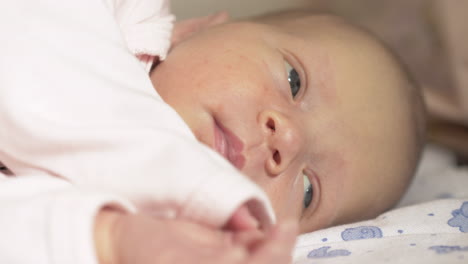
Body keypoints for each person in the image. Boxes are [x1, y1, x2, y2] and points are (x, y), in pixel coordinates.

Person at [0, 1, 424, 264]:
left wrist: (105, 238)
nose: (288, 141)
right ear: (201, 29)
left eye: (309, 191)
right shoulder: (116, 14)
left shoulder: (139, 230)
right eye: (294, 80)